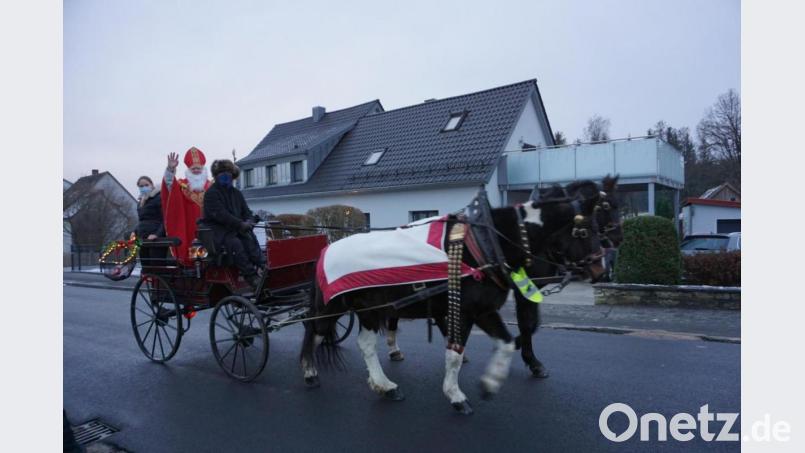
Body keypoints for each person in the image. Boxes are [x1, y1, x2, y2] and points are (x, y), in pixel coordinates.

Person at [201, 159, 266, 289]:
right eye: (222, 173)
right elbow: (221, 215)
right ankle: (251, 276)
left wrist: (250, 220)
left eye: (229, 173)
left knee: (249, 239)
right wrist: (241, 224)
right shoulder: (211, 194)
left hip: (236, 229)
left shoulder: (236, 193)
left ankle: (265, 267)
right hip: (218, 232)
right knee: (236, 244)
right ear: (216, 176)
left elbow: (246, 211)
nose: (226, 175)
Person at [161, 147, 211, 265]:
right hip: (189, 226)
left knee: (209, 258)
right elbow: (169, 186)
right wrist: (170, 169)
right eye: (193, 168)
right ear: (188, 169)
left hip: (209, 226)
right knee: (194, 255)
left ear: (203, 168)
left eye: (199, 168)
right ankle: (193, 271)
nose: (196, 170)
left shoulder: (211, 186)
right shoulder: (182, 185)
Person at [135, 176, 165, 265]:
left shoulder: (159, 198)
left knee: (156, 265)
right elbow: (141, 221)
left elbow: (165, 219)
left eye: (146, 185)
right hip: (141, 238)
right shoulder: (140, 202)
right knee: (145, 265)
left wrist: (157, 234)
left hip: (155, 238)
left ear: (151, 185)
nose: (143, 187)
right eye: (141, 186)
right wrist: (135, 231)